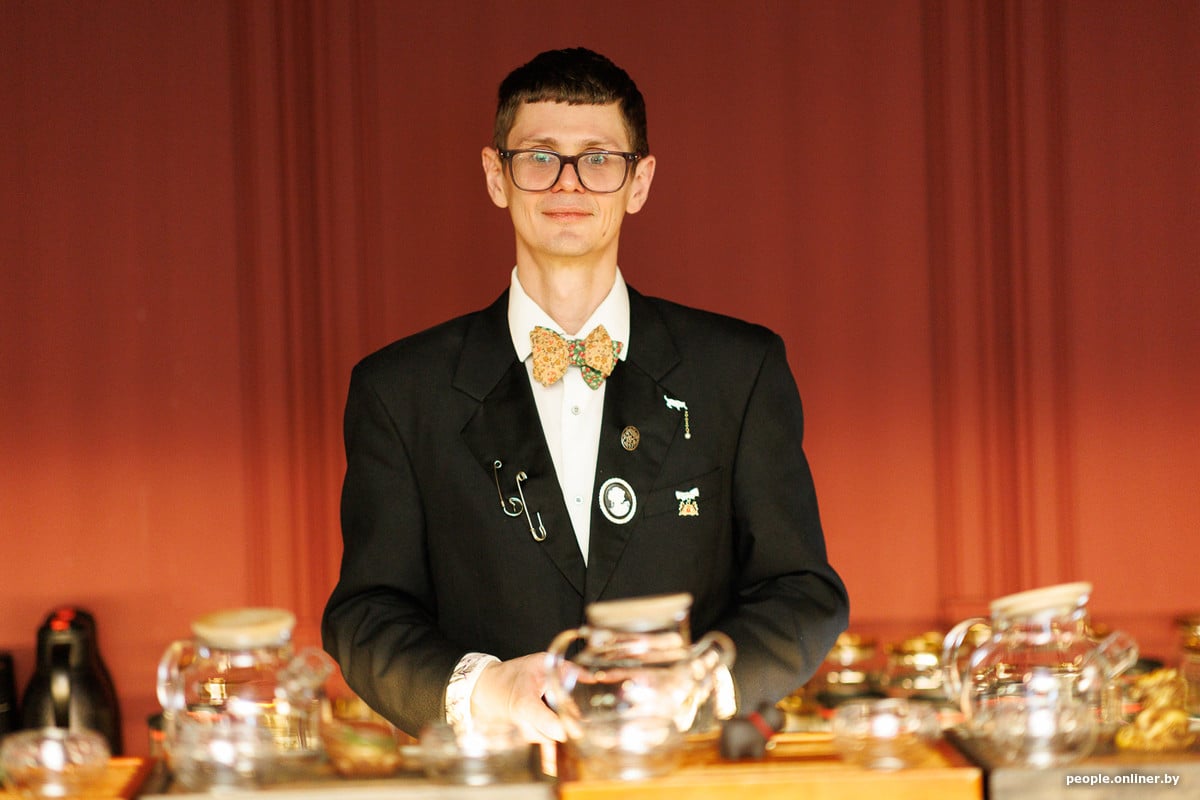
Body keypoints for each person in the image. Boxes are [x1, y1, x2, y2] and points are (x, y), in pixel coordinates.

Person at [322, 47, 849, 748]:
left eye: (598, 159)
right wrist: (487, 689)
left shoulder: (740, 370)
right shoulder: (397, 390)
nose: (567, 182)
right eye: (539, 157)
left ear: (639, 181)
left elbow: (804, 592)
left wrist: (696, 684)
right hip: (493, 780)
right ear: (496, 176)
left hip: (690, 772)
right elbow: (366, 614)